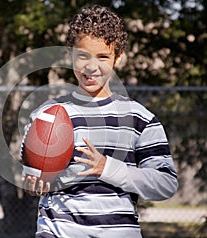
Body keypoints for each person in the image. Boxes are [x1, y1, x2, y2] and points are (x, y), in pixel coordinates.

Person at [21, 5, 178, 238]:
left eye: (103, 57)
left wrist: (107, 168)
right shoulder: (47, 114)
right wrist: (32, 178)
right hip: (59, 230)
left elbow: (165, 183)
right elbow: (29, 171)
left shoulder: (139, 118)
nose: (91, 67)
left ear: (118, 58)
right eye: (82, 55)